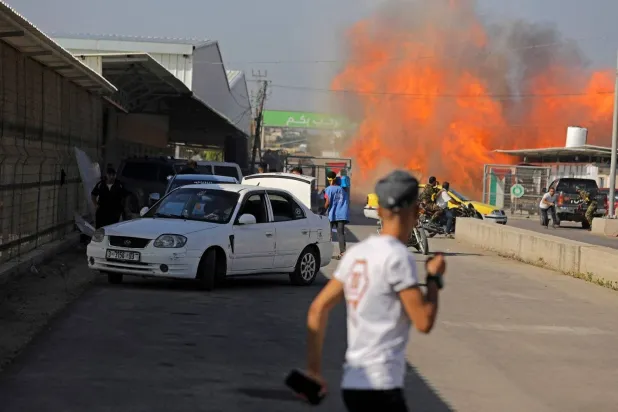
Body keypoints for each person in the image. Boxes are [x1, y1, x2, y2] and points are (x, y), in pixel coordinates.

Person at [305, 170, 446, 412]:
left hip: (353, 384)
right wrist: (433, 279)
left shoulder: (357, 254)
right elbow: (423, 321)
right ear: (414, 212)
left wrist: (314, 372)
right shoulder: (399, 257)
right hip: (383, 386)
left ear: (379, 211)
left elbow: (318, 309)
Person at [324, 171, 349, 259]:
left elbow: (327, 202)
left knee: (327, 233)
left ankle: (325, 253)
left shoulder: (328, 189)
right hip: (342, 214)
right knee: (340, 234)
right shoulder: (342, 189)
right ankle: (343, 253)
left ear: (328, 179)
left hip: (332, 215)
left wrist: (322, 211)